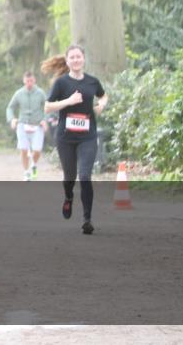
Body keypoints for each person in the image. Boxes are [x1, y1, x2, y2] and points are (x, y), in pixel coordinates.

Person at [42, 46, 108, 235]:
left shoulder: (92, 82)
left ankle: (87, 219)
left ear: (83, 59)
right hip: (65, 138)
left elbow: (103, 95)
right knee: (69, 177)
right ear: (68, 61)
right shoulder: (61, 83)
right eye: (72, 57)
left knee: (85, 176)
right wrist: (69, 101)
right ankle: (68, 197)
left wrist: (101, 105)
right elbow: (47, 107)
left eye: (79, 56)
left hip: (87, 136)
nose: (76, 60)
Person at [6, 71, 48, 180]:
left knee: (37, 149)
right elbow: (10, 107)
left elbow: (48, 107)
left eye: (31, 81)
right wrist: (12, 119)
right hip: (22, 125)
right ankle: (26, 172)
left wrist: (45, 120)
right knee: (23, 149)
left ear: (34, 80)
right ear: (24, 81)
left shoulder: (40, 93)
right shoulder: (19, 93)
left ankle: (33, 164)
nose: (29, 83)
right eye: (27, 81)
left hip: (37, 125)